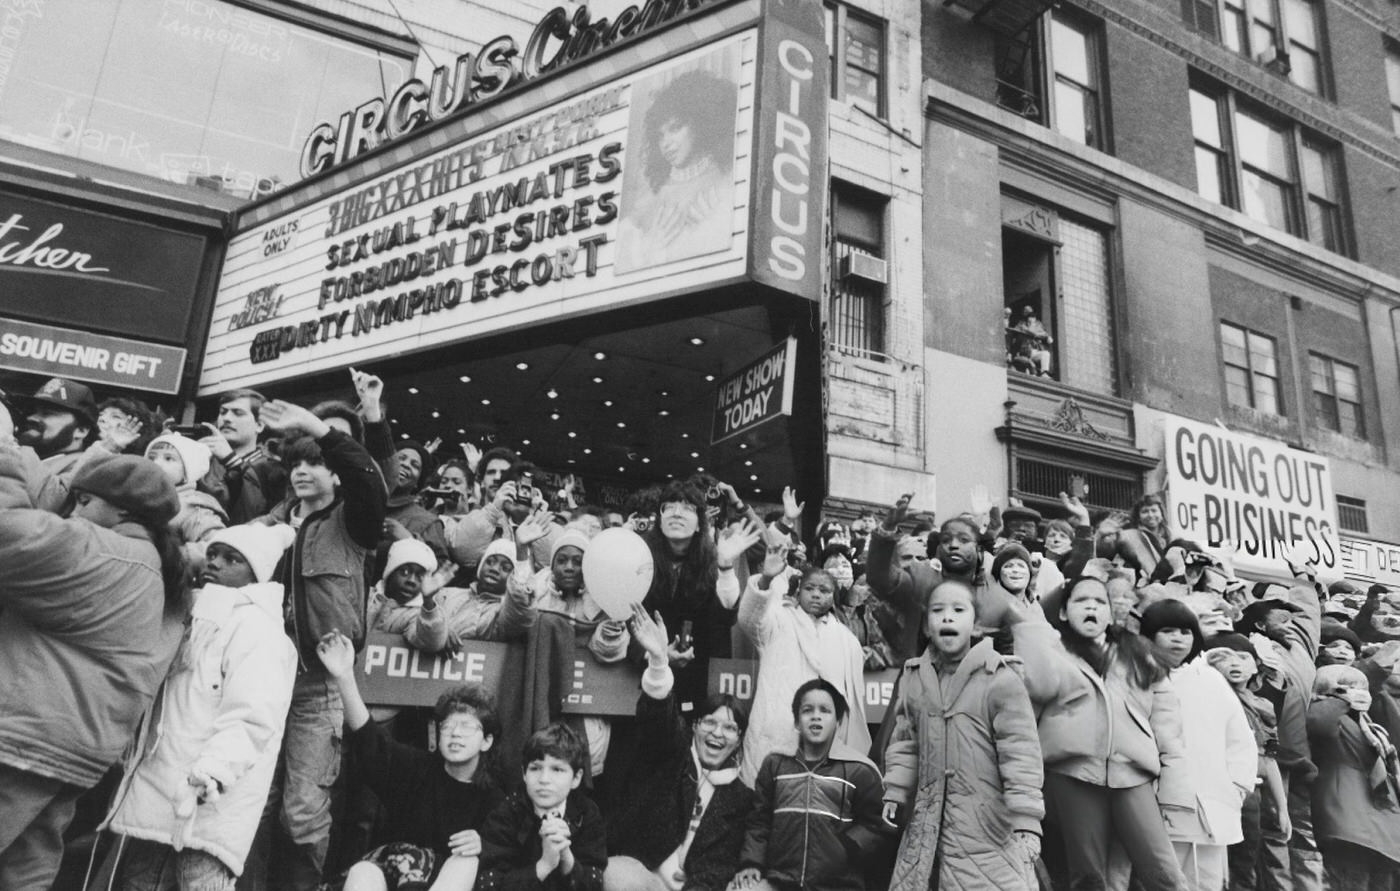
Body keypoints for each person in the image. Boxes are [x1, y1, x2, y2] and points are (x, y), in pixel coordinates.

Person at [0, 451, 186, 888]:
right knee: (24, 873)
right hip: (70, 749)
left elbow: (7, 532)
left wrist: (8, 454)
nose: (73, 512)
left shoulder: (107, 552)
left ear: (122, 510)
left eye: (83, 502)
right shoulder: (153, 569)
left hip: (25, 738)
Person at [101, 523, 298, 890]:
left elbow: (254, 713)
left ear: (256, 572)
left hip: (211, 795)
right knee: (139, 882)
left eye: (232, 558)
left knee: (200, 881)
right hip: (160, 789)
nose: (216, 563)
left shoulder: (259, 629)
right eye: (212, 553)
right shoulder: (190, 614)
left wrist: (213, 771)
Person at [248, 399, 387, 889]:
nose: (304, 471)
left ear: (335, 473)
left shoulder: (354, 523)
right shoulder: (268, 525)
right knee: (252, 804)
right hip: (262, 679)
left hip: (319, 686)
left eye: (317, 462)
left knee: (303, 812)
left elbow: (371, 478)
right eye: (297, 463)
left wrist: (317, 428)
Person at [1009, 570, 1191, 890]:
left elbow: (1168, 726)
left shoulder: (1140, 654)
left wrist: (1173, 788)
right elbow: (1031, 699)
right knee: (1088, 877)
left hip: (1133, 774)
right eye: (1081, 601)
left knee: (1165, 875)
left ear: (1110, 613)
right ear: (1064, 612)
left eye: (1099, 601)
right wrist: (1032, 624)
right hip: (1071, 774)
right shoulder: (1051, 650)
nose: (1091, 607)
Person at [881, 581, 1044, 891]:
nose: (947, 617)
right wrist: (896, 790)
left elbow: (1021, 753)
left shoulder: (1000, 678)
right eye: (937, 610)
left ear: (976, 625)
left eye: (958, 610)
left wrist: (1026, 818)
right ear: (927, 627)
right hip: (928, 816)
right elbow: (905, 741)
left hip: (986, 821)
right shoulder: (915, 678)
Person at [317, 631, 506, 891]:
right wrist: (344, 676)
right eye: (448, 726)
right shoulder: (416, 769)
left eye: (466, 726)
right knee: (362, 872)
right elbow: (369, 739)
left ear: (486, 741)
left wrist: (485, 843)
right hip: (393, 875)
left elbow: (512, 849)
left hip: (447, 881)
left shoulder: (494, 799)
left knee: (467, 861)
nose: (455, 734)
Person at [603, 605, 755, 891]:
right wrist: (659, 662)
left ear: (738, 740)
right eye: (710, 722)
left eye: (730, 728)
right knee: (615, 875)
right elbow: (659, 718)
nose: (717, 734)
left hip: (691, 887)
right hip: (643, 877)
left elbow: (720, 865)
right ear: (695, 725)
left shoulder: (741, 799)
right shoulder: (672, 755)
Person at [1140, 599, 1257, 890]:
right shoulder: (1137, 676)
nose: (1179, 638)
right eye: (1168, 630)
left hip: (1212, 804)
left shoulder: (1210, 680)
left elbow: (1240, 737)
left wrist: (1237, 786)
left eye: (1185, 631)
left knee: (1208, 881)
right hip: (1159, 804)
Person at [732, 679, 886, 891]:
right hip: (781, 880)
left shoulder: (859, 770)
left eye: (825, 710)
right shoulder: (775, 764)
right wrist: (751, 862)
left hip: (838, 885)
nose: (816, 715)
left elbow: (875, 824)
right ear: (796, 722)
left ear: (838, 722)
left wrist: (847, 847)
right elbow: (760, 820)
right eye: (807, 710)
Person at [738, 544, 870, 787]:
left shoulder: (846, 639)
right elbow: (749, 619)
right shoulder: (778, 620)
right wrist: (766, 579)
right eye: (810, 588)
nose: (816, 595)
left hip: (822, 742)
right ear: (798, 591)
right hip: (774, 733)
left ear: (834, 597)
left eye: (824, 590)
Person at [642, 480, 758, 709]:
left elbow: (725, 616)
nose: (676, 514)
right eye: (669, 507)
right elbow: (628, 617)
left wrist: (725, 566)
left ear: (699, 525)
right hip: (644, 677)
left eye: (687, 508)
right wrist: (656, 654)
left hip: (699, 680)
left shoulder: (712, 560)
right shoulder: (640, 559)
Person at [615, 66, 737, 273]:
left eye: (675, 128)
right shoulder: (652, 197)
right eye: (660, 135)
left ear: (700, 123)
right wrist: (649, 251)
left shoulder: (728, 179)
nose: (667, 143)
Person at [1203, 633, 1290, 891]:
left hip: (1252, 796)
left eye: (1243, 657)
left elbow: (1267, 757)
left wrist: (1282, 808)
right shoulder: (1206, 696)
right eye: (1225, 656)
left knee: (1244, 866)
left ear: (1255, 665)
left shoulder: (1262, 704)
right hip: (1215, 790)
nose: (1235, 663)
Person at [478, 724, 607, 891]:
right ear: (524, 773)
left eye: (557, 770)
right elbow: (488, 885)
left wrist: (566, 859)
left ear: (576, 778)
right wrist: (544, 865)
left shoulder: (587, 814)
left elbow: (595, 882)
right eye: (535, 768)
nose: (544, 779)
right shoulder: (505, 815)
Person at [1307, 664, 1400, 889]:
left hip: (1382, 823)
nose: (1358, 693)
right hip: (1347, 819)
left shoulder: (1369, 724)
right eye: (1347, 687)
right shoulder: (1325, 711)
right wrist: (1339, 699)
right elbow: (1320, 725)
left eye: (1361, 687)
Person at [202, 389, 288, 525]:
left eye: (238, 413)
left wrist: (231, 460)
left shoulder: (273, 469)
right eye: (223, 412)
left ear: (259, 426)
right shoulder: (203, 460)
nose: (226, 418)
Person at [145, 432, 228, 556]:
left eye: (168, 458)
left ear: (187, 472)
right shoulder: (138, 499)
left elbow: (216, 545)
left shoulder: (193, 507)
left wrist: (174, 558)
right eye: (151, 457)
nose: (156, 463)